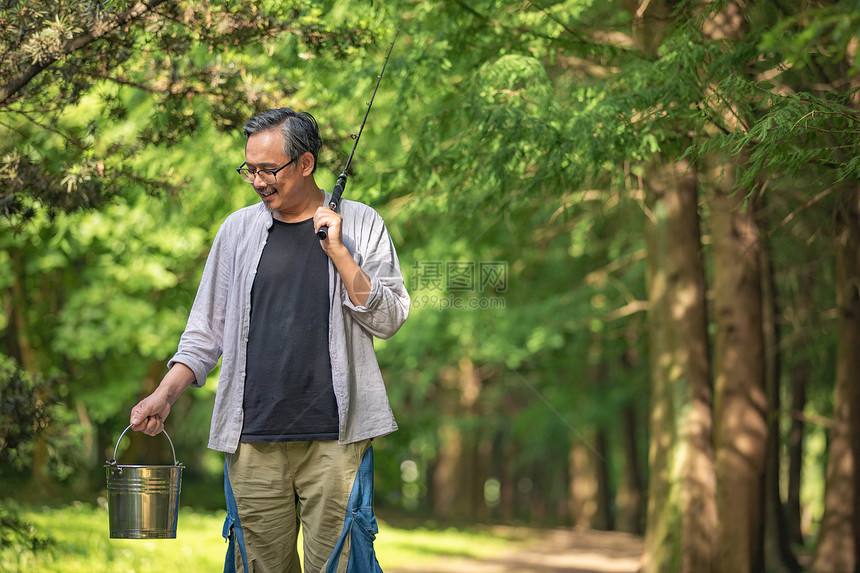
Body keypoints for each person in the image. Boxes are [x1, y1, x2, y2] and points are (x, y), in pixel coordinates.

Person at [129, 108, 410, 573]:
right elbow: (205, 332)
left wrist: (339, 253)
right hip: (253, 439)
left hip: (336, 441)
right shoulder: (236, 231)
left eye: (268, 169)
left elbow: (390, 318)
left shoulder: (360, 224)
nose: (258, 181)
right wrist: (164, 396)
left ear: (305, 163)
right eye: (250, 170)